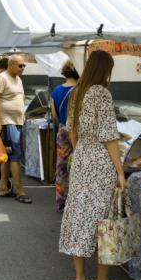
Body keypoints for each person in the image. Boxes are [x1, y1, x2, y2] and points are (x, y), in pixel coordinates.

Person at [59, 50, 132, 280]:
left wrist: (81, 153)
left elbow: (72, 131)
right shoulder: (102, 93)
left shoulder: (76, 92)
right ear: (105, 70)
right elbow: (110, 137)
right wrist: (120, 172)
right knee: (104, 221)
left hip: (81, 159)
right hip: (100, 161)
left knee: (80, 216)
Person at [0, 54, 28, 202]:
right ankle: (20, 191)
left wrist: (22, 113)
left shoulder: (18, 79)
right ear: (11, 65)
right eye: (20, 65)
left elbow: (22, 96)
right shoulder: (2, 78)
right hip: (7, 122)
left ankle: (3, 188)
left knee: (7, 157)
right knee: (15, 156)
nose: (23, 68)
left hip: (16, 121)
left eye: (24, 65)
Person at [51, 60, 80, 211]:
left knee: (62, 168)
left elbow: (54, 115)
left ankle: (61, 204)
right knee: (79, 166)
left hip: (62, 130)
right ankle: (77, 204)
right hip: (78, 130)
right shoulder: (81, 90)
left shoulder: (56, 91)